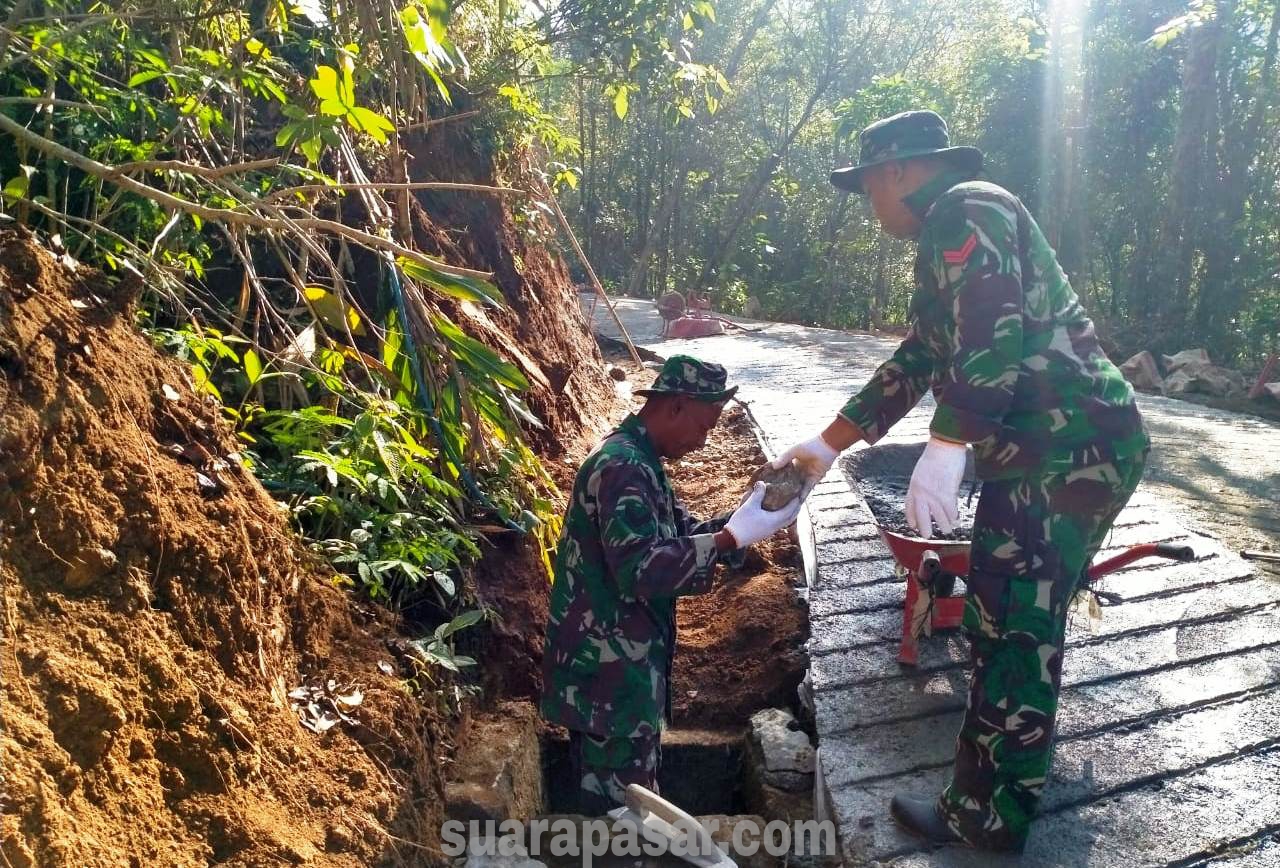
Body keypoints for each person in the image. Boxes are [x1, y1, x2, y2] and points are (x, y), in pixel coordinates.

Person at [773, 110, 1149, 851]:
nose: (868, 203)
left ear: (898, 171)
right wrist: (824, 445)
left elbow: (993, 336)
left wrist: (946, 445)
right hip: (1057, 447)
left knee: (1012, 625)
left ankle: (990, 815)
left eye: (868, 185)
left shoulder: (965, 207)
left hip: (1065, 452)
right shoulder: (951, 228)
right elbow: (920, 357)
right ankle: (995, 794)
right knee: (1012, 619)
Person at [541, 354, 801, 815]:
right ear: (675, 407)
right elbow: (639, 568)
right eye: (703, 427)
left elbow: (680, 533)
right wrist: (726, 539)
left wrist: (745, 522)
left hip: (618, 675)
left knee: (629, 813)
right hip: (609, 683)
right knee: (621, 825)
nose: (702, 443)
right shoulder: (623, 467)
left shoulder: (642, 463)